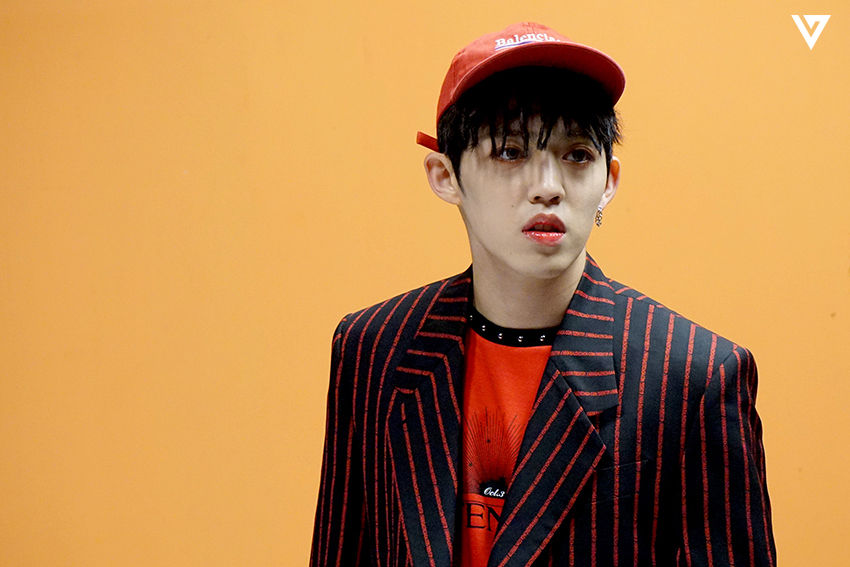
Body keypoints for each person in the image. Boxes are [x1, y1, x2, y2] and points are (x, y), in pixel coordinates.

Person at [310, 22, 775, 567]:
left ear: (608, 181)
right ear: (444, 175)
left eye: (577, 155)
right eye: (510, 152)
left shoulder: (695, 378)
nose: (548, 186)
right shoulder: (374, 351)